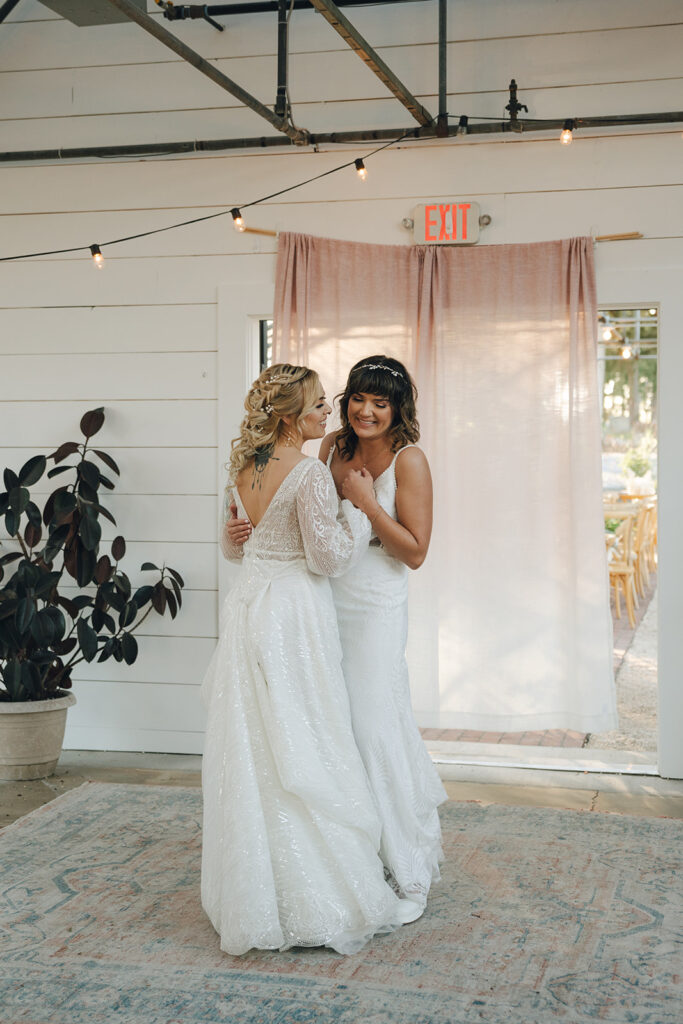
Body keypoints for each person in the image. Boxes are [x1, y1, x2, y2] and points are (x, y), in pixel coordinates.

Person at [201, 363, 419, 959]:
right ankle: (316, 885)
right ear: (290, 416)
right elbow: (328, 560)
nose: (332, 412)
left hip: (247, 607)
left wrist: (241, 537)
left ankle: (256, 887)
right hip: (294, 611)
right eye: (320, 405)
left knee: (258, 742)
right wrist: (357, 512)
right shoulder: (307, 474)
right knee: (307, 735)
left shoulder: (243, 465)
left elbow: (231, 542)